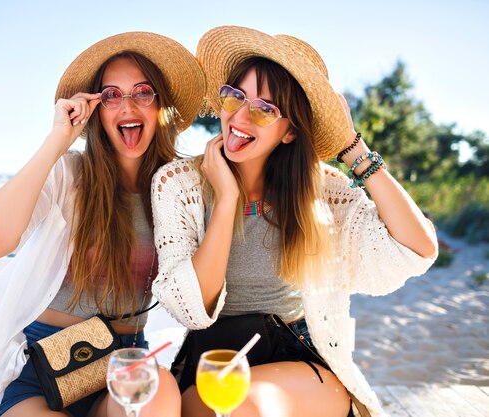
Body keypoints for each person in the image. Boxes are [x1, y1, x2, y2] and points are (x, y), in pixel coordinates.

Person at [151, 26, 438, 417]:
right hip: (213, 358)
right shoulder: (178, 185)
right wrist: (226, 199)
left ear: (289, 133)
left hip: (299, 358)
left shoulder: (319, 192)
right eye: (235, 97)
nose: (240, 116)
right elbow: (190, 308)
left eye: (265, 110)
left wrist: (354, 149)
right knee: (200, 406)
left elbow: (417, 249)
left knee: (240, 405)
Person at [0, 31, 205, 417]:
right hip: (39, 369)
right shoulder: (70, 174)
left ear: (162, 106)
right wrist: (58, 140)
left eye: (143, 92)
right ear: (95, 108)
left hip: (124, 364)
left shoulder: (181, 187)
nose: (127, 106)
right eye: (111, 95)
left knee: (160, 390)